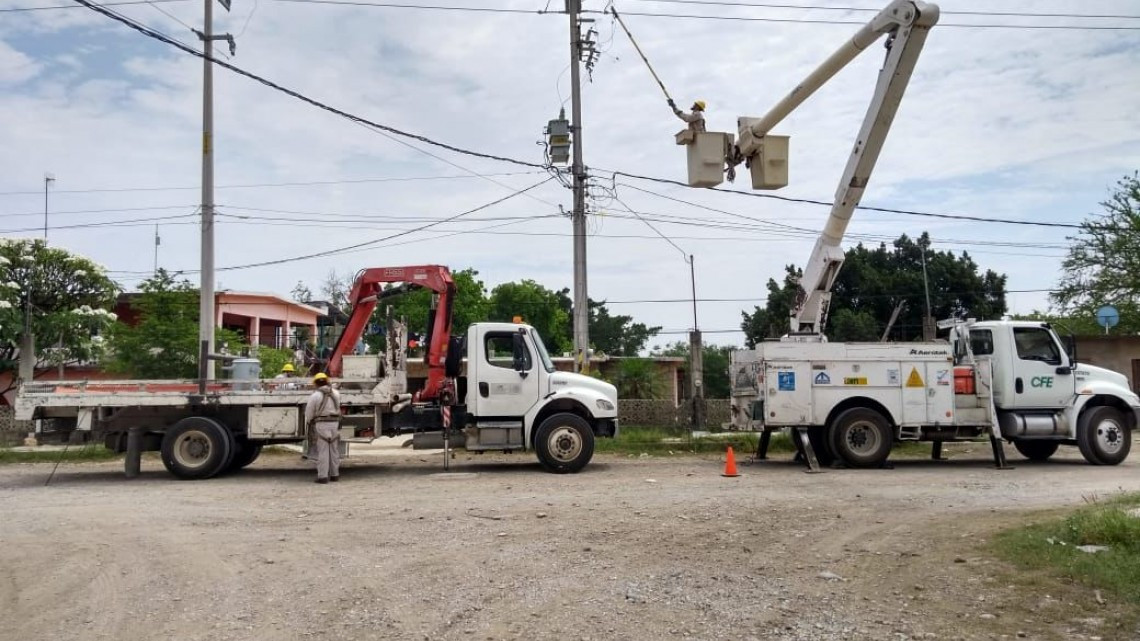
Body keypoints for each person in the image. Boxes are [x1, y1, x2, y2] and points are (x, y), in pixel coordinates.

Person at [304, 373, 341, 484]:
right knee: (334, 450)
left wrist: (309, 421)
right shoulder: (336, 393)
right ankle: (335, 475)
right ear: (327, 381)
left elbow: (309, 412)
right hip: (334, 423)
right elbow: (338, 406)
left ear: (316, 383)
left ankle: (323, 477)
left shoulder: (315, 396)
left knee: (323, 451)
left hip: (322, 424)